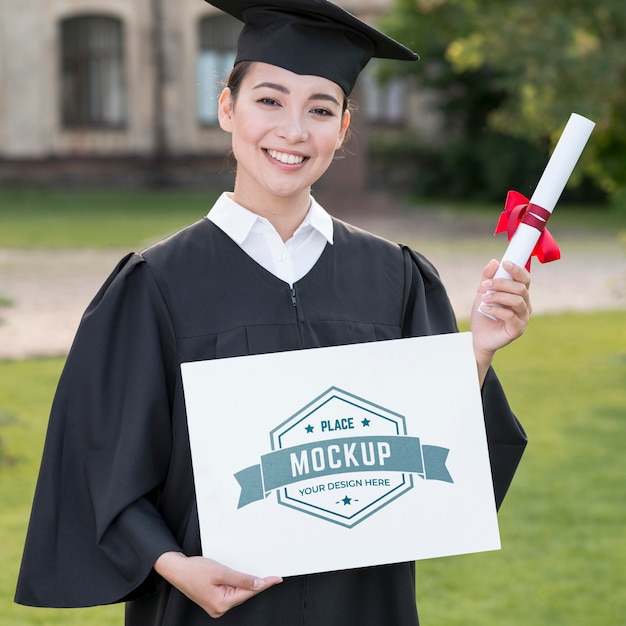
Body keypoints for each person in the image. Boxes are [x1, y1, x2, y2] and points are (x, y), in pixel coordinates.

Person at [15, 1, 530, 624]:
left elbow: (442, 454)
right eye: (269, 100)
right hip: (208, 606)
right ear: (227, 108)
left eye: (319, 109)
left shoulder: (394, 277)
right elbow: (100, 462)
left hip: (362, 603)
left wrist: (475, 353)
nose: (293, 130)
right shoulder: (156, 284)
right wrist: (177, 569)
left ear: (343, 129)